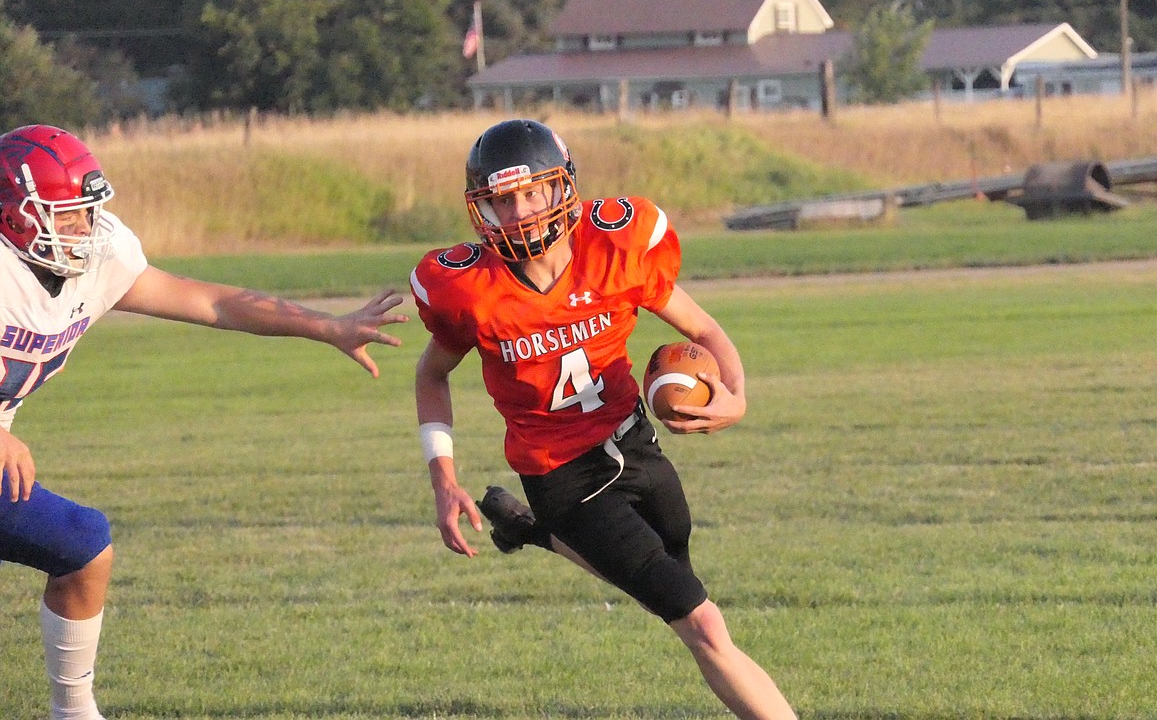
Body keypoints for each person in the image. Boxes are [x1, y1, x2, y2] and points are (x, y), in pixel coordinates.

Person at [0, 124, 409, 720]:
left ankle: (75, 712)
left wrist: (325, 326)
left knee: (83, 544)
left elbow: (209, 301)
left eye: (85, 213)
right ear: (15, 215)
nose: (84, 231)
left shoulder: (100, 256)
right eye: (64, 218)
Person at [410, 118, 798, 720]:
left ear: (562, 187)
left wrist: (738, 395)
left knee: (675, 577)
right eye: (502, 199)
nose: (519, 212)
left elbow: (704, 330)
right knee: (703, 624)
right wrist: (443, 477)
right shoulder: (471, 291)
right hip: (562, 475)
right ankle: (545, 522)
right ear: (482, 209)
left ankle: (532, 532)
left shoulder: (613, 249)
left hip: (634, 442)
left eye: (531, 192)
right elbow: (431, 374)